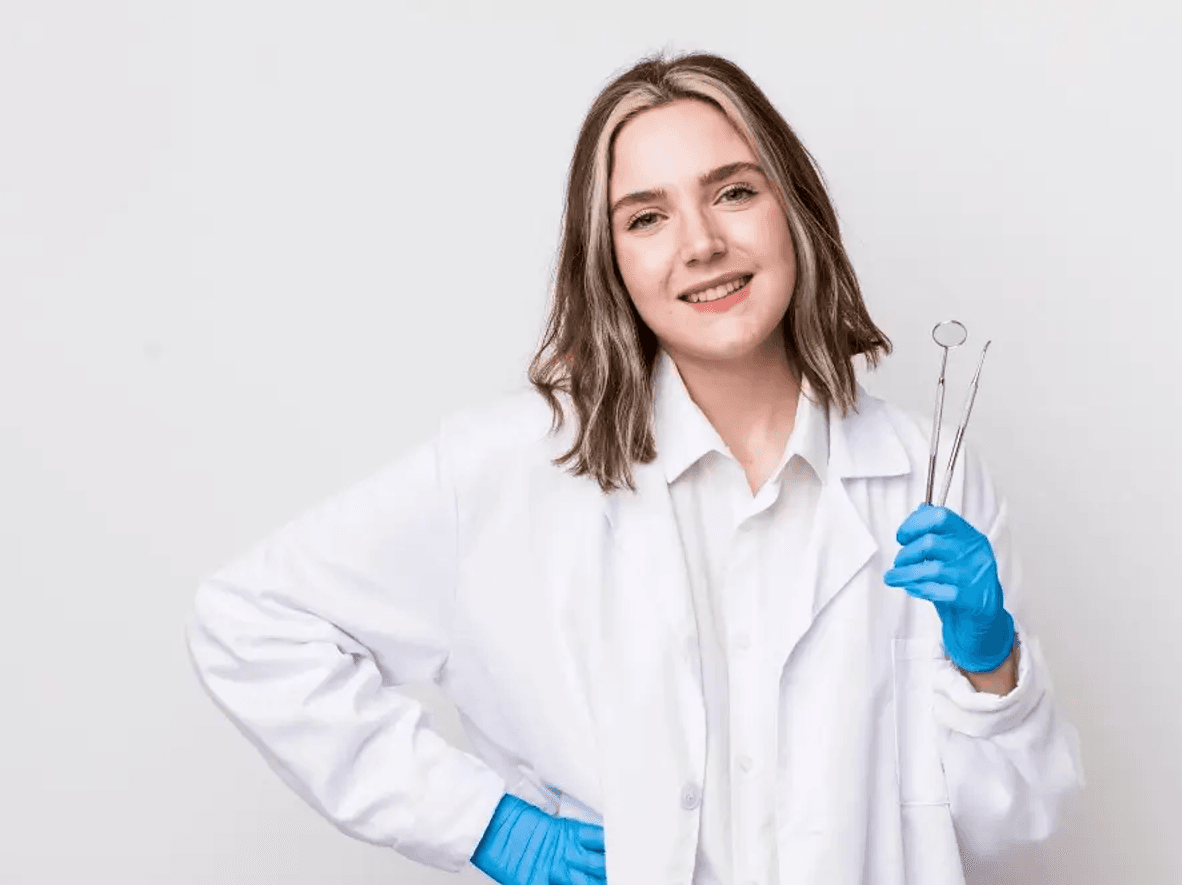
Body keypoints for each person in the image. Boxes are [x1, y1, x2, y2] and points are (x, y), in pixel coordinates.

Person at [186, 51, 1083, 885]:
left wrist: (990, 662)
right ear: (609, 258)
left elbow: (1004, 824)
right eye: (646, 217)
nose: (699, 244)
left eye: (733, 192)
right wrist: (485, 822)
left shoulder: (924, 470)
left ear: (794, 210)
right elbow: (250, 621)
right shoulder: (515, 467)